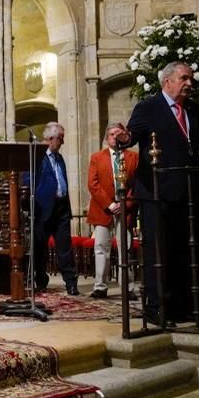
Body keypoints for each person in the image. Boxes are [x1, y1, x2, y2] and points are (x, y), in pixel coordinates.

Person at [120, 61, 199, 324]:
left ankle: (180, 306)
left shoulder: (193, 109)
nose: (189, 83)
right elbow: (132, 135)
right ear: (167, 81)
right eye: (184, 78)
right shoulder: (148, 107)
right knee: (158, 252)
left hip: (188, 192)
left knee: (182, 250)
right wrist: (124, 139)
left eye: (190, 79)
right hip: (157, 192)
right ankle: (156, 307)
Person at [86, 123, 139, 299]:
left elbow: (136, 184)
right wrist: (109, 205)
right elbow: (93, 184)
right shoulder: (97, 157)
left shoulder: (133, 157)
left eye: (118, 134)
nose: (115, 137)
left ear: (125, 135)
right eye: (111, 134)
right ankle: (100, 286)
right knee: (101, 248)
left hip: (125, 209)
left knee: (126, 247)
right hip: (104, 210)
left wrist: (125, 204)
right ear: (106, 138)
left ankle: (128, 288)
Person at [29, 122, 79, 295]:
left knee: (65, 247)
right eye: (61, 138)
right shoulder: (36, 155)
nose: (63, 142)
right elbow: (28, 181)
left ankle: (71, 283)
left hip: (61, 209)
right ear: (51, 139)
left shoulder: (60, 157)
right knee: (40, 248)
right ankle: (41, 281)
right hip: (42, 209)